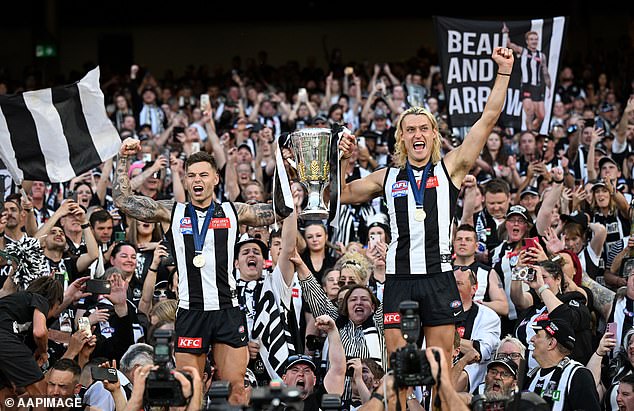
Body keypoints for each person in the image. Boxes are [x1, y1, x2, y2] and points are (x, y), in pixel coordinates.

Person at [337, 47, 515, 364]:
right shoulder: (387, 176)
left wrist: (503, 72)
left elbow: (488, 119)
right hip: (399, 279)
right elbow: (341, 194)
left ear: (433, 135)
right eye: (410, 130)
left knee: (441, 367)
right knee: (398, 368)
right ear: (401, 138)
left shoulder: (452, 169)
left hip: (439, 277)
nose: (417, 134)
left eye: (423, 129)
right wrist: (341, 160)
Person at [113, 137, 283, 405]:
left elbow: (279, 211)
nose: (197, 180)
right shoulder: (173, 211)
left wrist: (288, 171)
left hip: (227, 309)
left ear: (216, 178)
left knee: (236, 390)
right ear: (186, 180)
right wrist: (123, 159)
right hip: (191, 311)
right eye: (191, 175)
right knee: (186, 390)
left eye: (203, 174)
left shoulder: (233, 211)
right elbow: (123, 201)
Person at [525, 315, 601, 410]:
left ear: (551, 343)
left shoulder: (577, 375)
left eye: (538, 335)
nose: (532, 339)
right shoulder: (532, 375)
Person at [281, 315, 345, 411]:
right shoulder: (275, 405)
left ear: (314, 380)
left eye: (306, 371)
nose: (301, 374)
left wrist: (332, 330)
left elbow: (338, 369)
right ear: (284, 379)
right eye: (295, 370)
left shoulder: (320, 400)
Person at [503, 23, 552, 132]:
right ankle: (529, 132)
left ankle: (533, 129)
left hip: (538, 87)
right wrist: (506, 33)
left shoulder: (541, 55)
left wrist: (549, 87)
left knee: (541, 115)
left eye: (535, 39)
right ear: (527, 41)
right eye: (531, 39)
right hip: (526, 86)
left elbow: (545, 73)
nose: (534, 41)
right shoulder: (523, 51)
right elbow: (509, 45)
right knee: (529, 111)